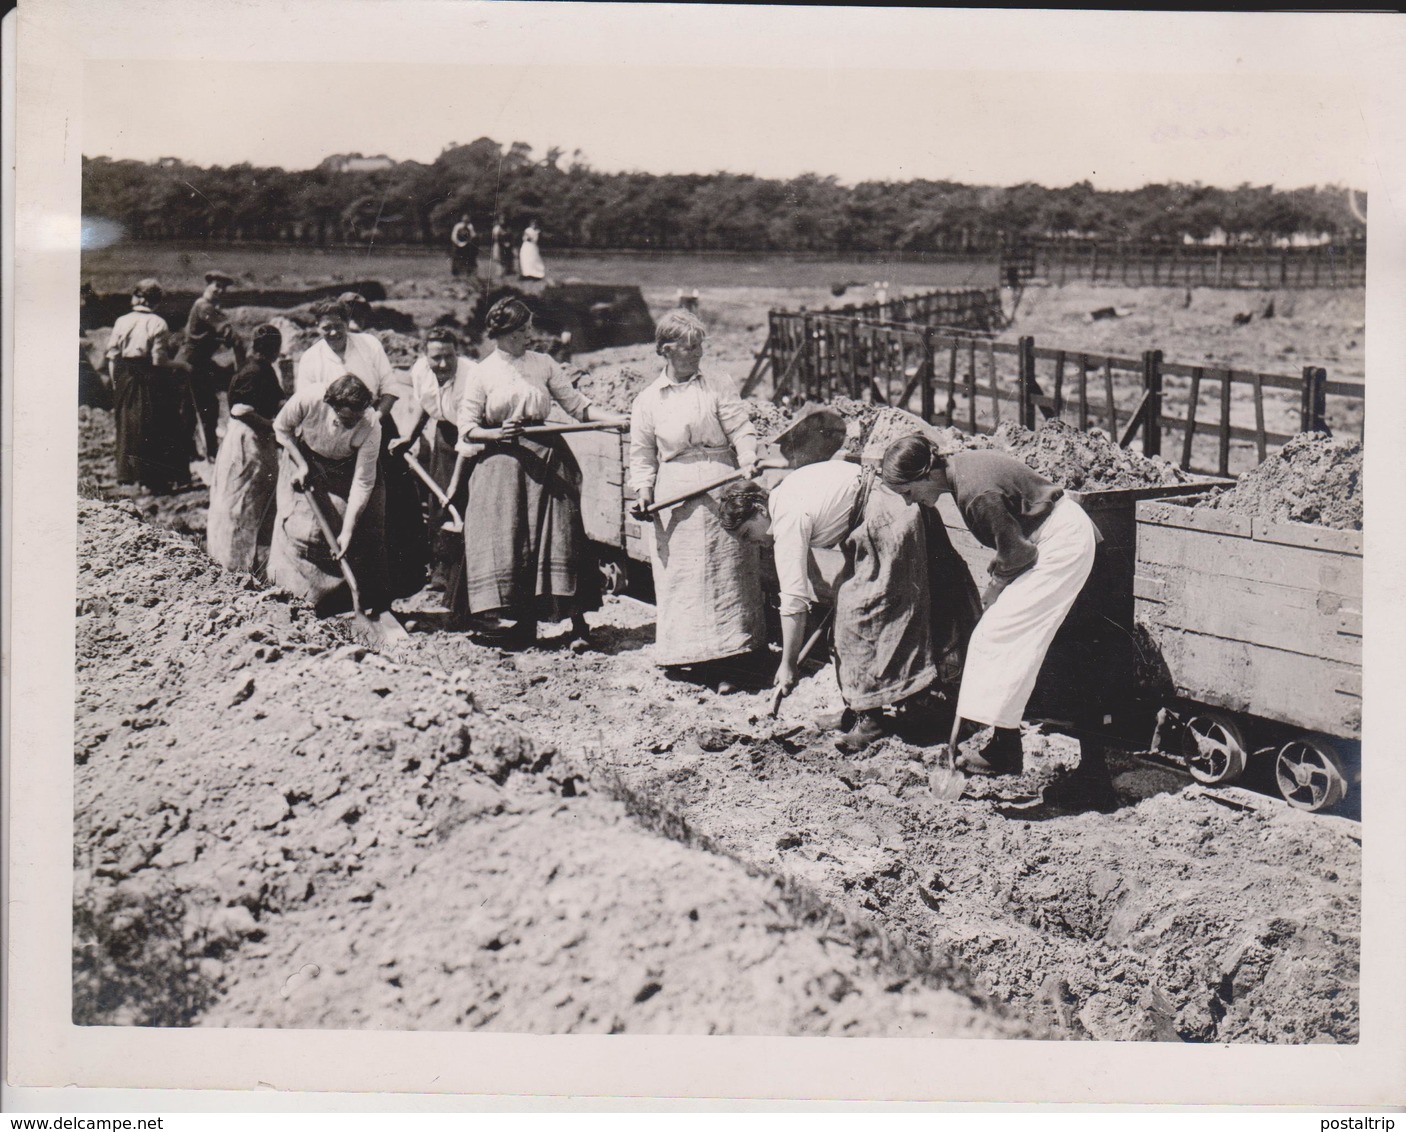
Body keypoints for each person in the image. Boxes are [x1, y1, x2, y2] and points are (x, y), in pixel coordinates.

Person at [879, 433, 1098, 776]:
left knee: (993, 635)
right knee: (995, 635)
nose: (910, 503)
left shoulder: (973, 492)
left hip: (1061, 544)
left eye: (908, 492)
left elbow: (1020, 553)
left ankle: (1005, 750)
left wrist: (995, 586)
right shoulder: (961, 472)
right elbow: (1013, 542)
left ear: (925, 474)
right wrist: (1002, 567)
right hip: (1047, 537)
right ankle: (1003, 744)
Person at [719, 458, 954, 753]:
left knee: (859, 619)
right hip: (873, 514)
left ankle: (872, 719)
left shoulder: (787, 516)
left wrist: (788, 664)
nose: (752, 543)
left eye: (747, 534)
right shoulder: (782, 498)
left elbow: (793, 600)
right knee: (845, 614)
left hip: (887, 514)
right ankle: (857, 708)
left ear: (760, 510)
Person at [444, 297, 627, 646]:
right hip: (502, 465)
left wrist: (615, 420)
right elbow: (466, 427)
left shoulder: (543, 364)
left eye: (529, 328)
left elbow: (579, 408)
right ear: (503, 334)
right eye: (522, 330)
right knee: (512, 542)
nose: (529, 335)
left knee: (564, 535)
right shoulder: (482, 372)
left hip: (548, 459)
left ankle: (578, 625)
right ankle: (523, 625)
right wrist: (496, 433)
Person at [628, 310, 766, 691]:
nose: (696, 354)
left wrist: (749, 455)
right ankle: (693, 658)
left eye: (699, 346)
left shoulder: (718, 384)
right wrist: (643, 493)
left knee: (730, 574)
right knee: (685, 579)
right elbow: (641, 455)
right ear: (666, 351)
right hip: (677, 495)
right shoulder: (648, 400)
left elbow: (740, 427)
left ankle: (736, 661)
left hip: (723, 484)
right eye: (688, 347)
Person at [297, 298, 426, 600]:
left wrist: (372, 425)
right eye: (325, 328)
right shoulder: (311, 359)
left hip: (377, 424)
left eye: (337, 326)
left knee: (393, 504)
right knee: (345, 509)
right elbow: (308, 408)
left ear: (347, 323)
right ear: (317, 328)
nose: (332, 334)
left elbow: (390, 389)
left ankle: (400, 583)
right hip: (335, 439)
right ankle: (344, 590)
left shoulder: (368, 345)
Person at [267, 375, 387, 614]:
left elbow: (363, 482)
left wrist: (348, 530)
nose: (351, 424)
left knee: (353, 529)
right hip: (305, 457)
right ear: (330, 405)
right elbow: (281, 428)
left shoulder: (372, 425)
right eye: (344, 418)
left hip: (346, 468)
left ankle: (347, 603)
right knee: (296, 526)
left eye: (356, 418)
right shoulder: (309, 398)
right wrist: (301, 465)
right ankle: (291, 593)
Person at [394, 328, 476, 595]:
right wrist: (409, 437)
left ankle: (466, 574)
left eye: (449, 357)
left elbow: (469, 436)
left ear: (458, 354)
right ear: (425, 356)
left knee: (462, 498)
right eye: (436, 357)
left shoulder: (471, 378)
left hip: (476, 439)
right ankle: (440, 569)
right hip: (444, 434)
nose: (442, 364)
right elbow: (425, 404)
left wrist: (454, 483)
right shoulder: (420, 371)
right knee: (439, 503)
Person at [206, 324, 287, 576]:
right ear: (274, 349)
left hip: (259, 440)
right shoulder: (253, 372)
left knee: (258, 500)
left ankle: (254, 563)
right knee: (241, 501)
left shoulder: (263, 369)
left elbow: (276, 398)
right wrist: (273, 426)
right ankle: (234, 564)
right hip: (247, 440)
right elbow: (241, 411)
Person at [104, 278, 188, 495]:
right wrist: (182, 364)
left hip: (125, 378)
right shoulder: (158, 323)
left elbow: (112, 355)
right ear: (155, 301)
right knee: (154, 426)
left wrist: (117, 384)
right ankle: (151, 481)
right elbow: (158, 361)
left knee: (129, 426)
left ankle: (130, 477)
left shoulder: (122, 321)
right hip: (149, 379)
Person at [182, 270, 243, 461]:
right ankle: (211, 453)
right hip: (193, 364)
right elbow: (230, 334)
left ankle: (191, 452)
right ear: (208, 286)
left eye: (223, 288)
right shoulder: (204, 307)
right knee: (207, 407)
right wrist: (242, 363)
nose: (220, 290)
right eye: (216, 286)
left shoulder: (206, 308)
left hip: (194, 362)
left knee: (191, 409)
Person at [449, 214, 478, 278]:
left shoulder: (470, 226)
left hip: (466, 246)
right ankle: (456, 274)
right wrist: (458, 243)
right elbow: (453, 236)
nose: (466, 222)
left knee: (467, 259)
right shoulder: (458, 226)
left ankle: (467, 273)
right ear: (462, 220)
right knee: (457, 260)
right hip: (457, 246)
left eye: (467, 221)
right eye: (465, 220)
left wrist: (468, 241)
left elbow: (473, 235)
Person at [491, 214, 515, 280]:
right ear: (499, 220)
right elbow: (495, 237)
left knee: (507, 257)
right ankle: (500, 271)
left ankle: (508, 270)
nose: (503, 221)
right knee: (499, 257)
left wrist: (508, 243)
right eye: (501, 219)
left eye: (504, 219)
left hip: (507, 245)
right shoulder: (496, 228)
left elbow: (510, 236)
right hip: (498, 244)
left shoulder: (508, 228)